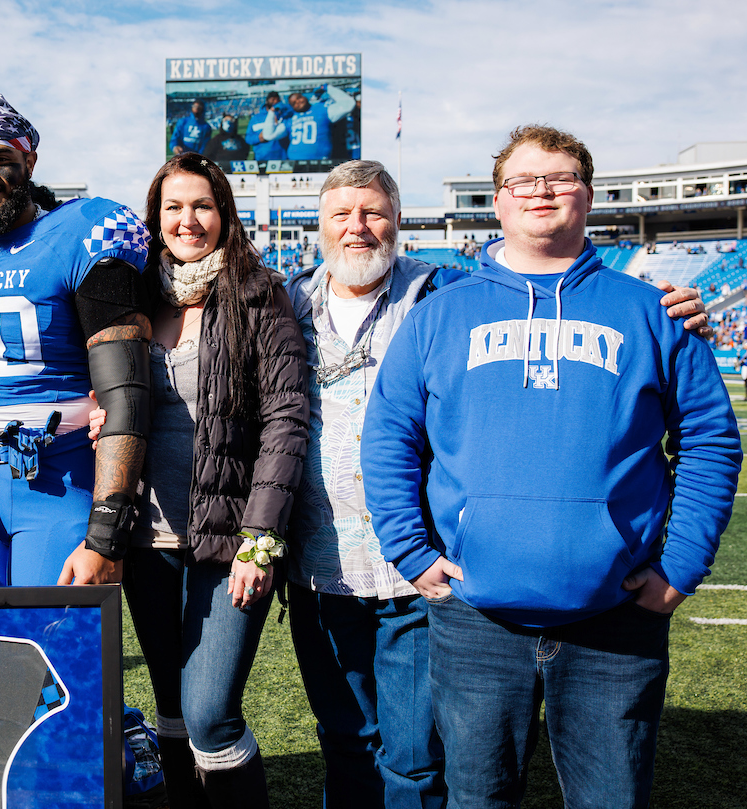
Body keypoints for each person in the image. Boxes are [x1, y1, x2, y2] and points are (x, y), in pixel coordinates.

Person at [286, 159, 713, 809]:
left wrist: (670, 309)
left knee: (413, 755)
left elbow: (522, 285)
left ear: (398, 220)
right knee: (343, 738)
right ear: (316, 226)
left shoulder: (442, 291)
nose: (357, 227)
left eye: (372, 212)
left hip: (423, 568)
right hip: (321, 560)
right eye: (340, 214)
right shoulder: (282, 303)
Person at [90, 152, 309, 807]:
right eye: (174, 207)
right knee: (173, 712)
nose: (188, 220)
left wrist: (260, 539)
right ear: (156, 217)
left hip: (230, 542)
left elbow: (286, 419)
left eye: (202, 206)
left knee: (211, 710)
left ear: (225, 215)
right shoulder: (132, 297)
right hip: (147, 541)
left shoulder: (259, 294)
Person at [0, 93, 152, 588]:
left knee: (47, 652)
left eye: (1, 158)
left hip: (57, 474)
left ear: (30, 160)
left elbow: (127, 393)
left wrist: (106, 532)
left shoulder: (83, 229)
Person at [286, 87, 356, 162]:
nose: (297, 102)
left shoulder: (322, 109)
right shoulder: (290, 118)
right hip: (294, 162)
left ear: (304, 97)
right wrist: (274, 112)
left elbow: (349, 104)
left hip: (320, 162)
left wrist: (328, 88)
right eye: (294, 103)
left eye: (299, 98)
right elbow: (271, 135)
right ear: (292, 107)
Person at [245, 92, 289, 162]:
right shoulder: (256, 118)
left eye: (276, 100)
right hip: (262, 158)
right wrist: (259, 138)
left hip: (282, 158)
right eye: (272, 99)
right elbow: (248, 138)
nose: (274, 102)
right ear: (266, 101)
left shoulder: (284, 116)